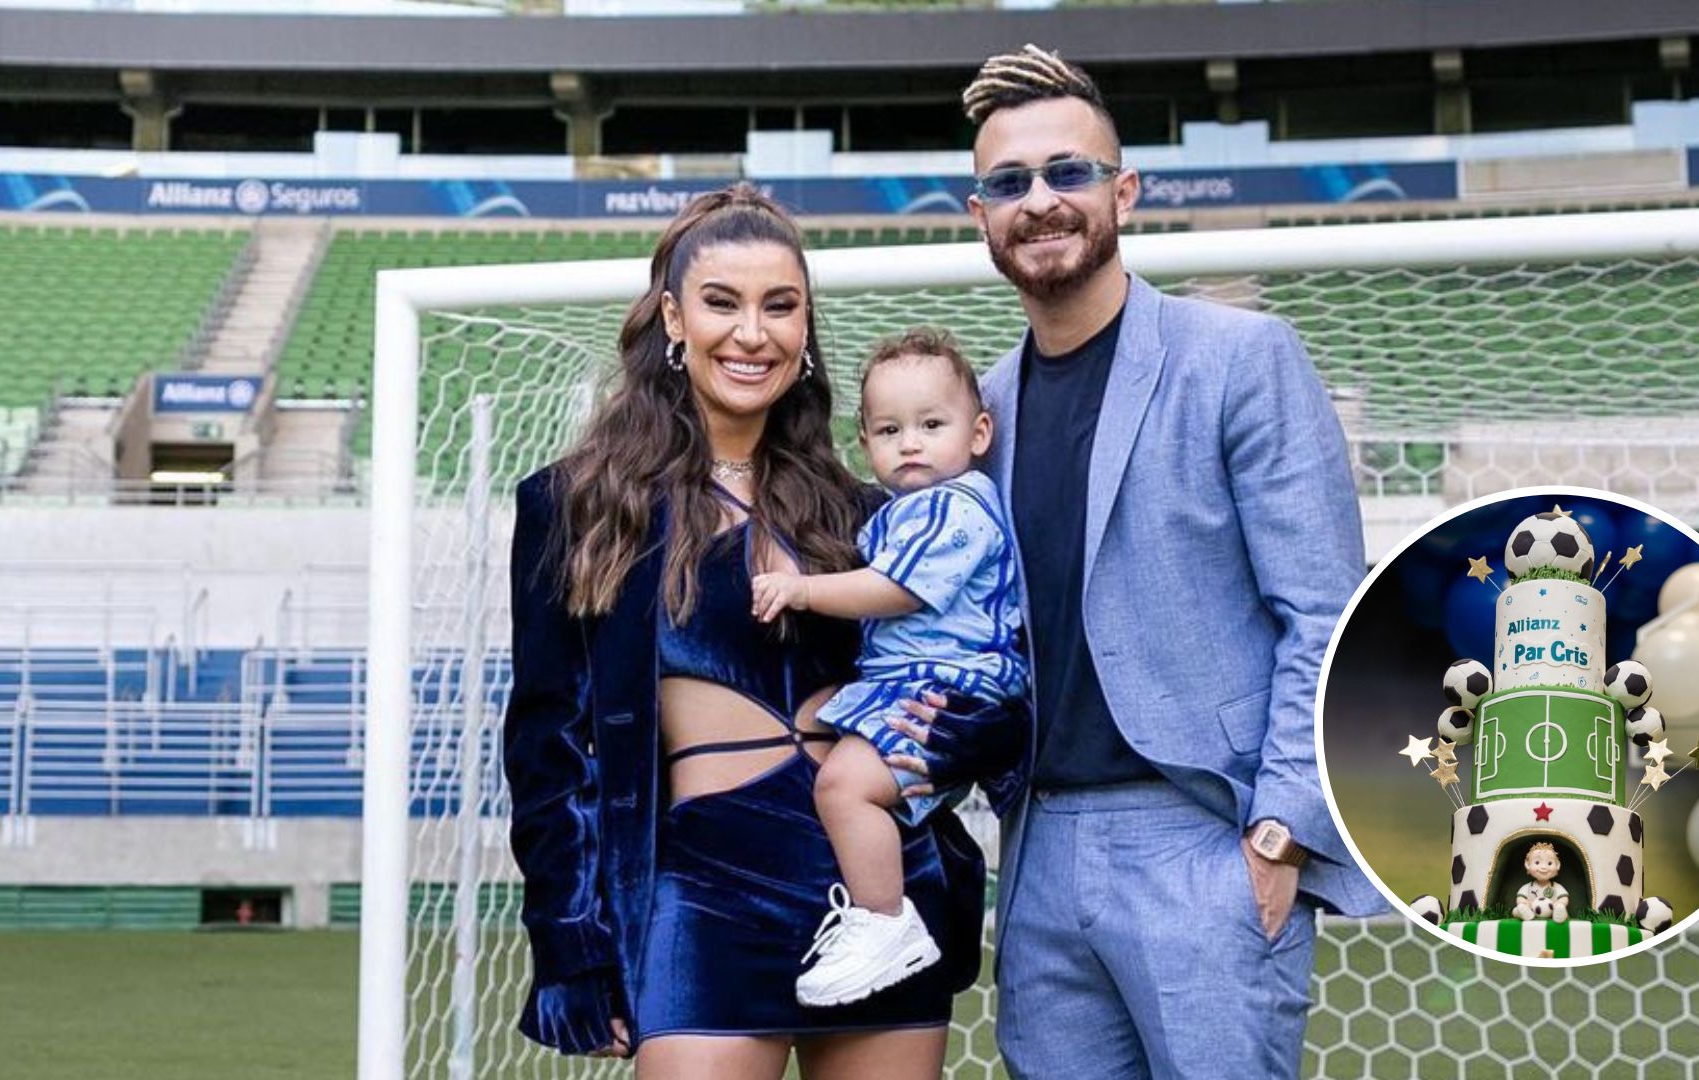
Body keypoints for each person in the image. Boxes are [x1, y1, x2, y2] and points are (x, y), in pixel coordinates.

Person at [910, 44, 1392, 1080]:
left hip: (1204, 845)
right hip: (1037, 854)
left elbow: (1327, 613)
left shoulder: (1240, 360)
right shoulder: (978, 416)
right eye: (1008, 183)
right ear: (978, 213)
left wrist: (1279, 837)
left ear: (1123, 190)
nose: (1039, 201)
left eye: (1067, 172)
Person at [502, 184, 1007, 1080]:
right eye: (722, 303)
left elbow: (967, 662)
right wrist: (570, 937)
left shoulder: (871, 513)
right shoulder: (578, 505)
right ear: (672, 315)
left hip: (872, 889)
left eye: (781, 306)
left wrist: (984, 734)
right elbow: (549, 749)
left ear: (807, 327)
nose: (753, 333)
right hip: (701, 892)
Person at [750, 329, 1028, 1008]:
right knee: (810, 734)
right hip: (908, 679)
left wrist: (805, 589)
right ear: (865, 442)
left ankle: (883, 922)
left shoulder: (955, 508)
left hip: (946, 690)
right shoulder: (906, 510)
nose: (910, 443)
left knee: (844, 786)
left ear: (980, 431)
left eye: (932, 425)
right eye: (889, 429)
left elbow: (896, 591)